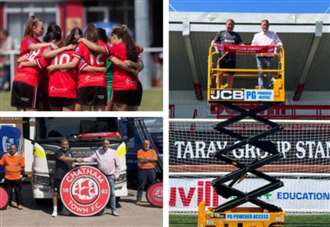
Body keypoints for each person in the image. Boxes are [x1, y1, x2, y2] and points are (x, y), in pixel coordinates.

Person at [77, 139, 120, 216]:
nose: (105, 145)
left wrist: (116, 175)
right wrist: (81, 159)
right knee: (101, 194)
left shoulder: (114, 152)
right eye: (104, 143)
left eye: (107, 143)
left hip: (110, 176)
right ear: (102, 144)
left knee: (112, 193)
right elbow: (90, 159)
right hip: (101, 176)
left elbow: (118, 165)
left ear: (109, 144)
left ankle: (113, 210)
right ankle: (101, 209)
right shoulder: (98, 152)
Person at [109, 25, 144, 111]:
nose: (111, 41)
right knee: (132, 114)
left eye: (112, 38)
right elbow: (141, 65)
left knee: (119, 115)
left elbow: (119, 63)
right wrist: (134, 67)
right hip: (135, 85)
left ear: (116, 37)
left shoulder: (114, 49)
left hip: (121, 85)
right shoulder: (135, 49)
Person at [251, 19, 283, 89]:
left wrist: (278, 47)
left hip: (270, 57)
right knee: (261, 73)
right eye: (263, 25)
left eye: (266, 25)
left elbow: (279, 43)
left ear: (269, 26)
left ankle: (269, 86)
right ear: (261, 26)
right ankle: (261, 87)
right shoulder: (257, 35)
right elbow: (253, 45)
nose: (265, 26)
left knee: (270, 73)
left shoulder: (273, 34)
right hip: (260, 57)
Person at [212, 19, 242, 88]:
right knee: (219, 74)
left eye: (232, 25)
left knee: (230, 75)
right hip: (222, 58)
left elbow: (241, 44)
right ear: (226, 25)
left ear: (234, 26)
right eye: (229, 24)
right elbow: (214, 42)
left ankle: (229, 90)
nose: (230, 26)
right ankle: (218, 89)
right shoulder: (221, 33)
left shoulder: (236, 35)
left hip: (232, 59)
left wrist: (247, 48)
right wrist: (217, 51)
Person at [51, 138, 78, 217]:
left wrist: (73, 164)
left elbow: (71, 162)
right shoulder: (58, 152)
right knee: (55, 193)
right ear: (61, 145)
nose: (65, 146)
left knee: (68, 193)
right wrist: (75, 159)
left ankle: (66, 209)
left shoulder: (70, 152)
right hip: (58, 176)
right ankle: (55, 210)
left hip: (68, 176)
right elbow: (64, 159)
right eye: (64, 144)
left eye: (66, 144)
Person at [0, 144, 24, 210]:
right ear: (9, 149)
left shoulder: (20, 156)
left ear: (16, 149)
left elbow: (22, 166)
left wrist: (21, 174)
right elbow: (1, 163)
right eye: (11, 148)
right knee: (8, 192)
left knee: (18, 192)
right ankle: (7, 203)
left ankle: (19, 204)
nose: (12, 150)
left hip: (17, 178)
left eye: (13, 149)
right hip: (8, 178)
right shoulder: (5, 156)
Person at [136, 139, 158, 205]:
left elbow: (155, 159)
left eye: (147, 144)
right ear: (143, 144)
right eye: (145, 144)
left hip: (151, 170)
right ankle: (138, 200)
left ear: (149, 144)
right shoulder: (140, 151)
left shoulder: (153, 151)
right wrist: (150, 159)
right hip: (142, 170)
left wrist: (146, 159)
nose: (146, 145)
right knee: (141, 185)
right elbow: (140, 160)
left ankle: (152, 200)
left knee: (152, 186)